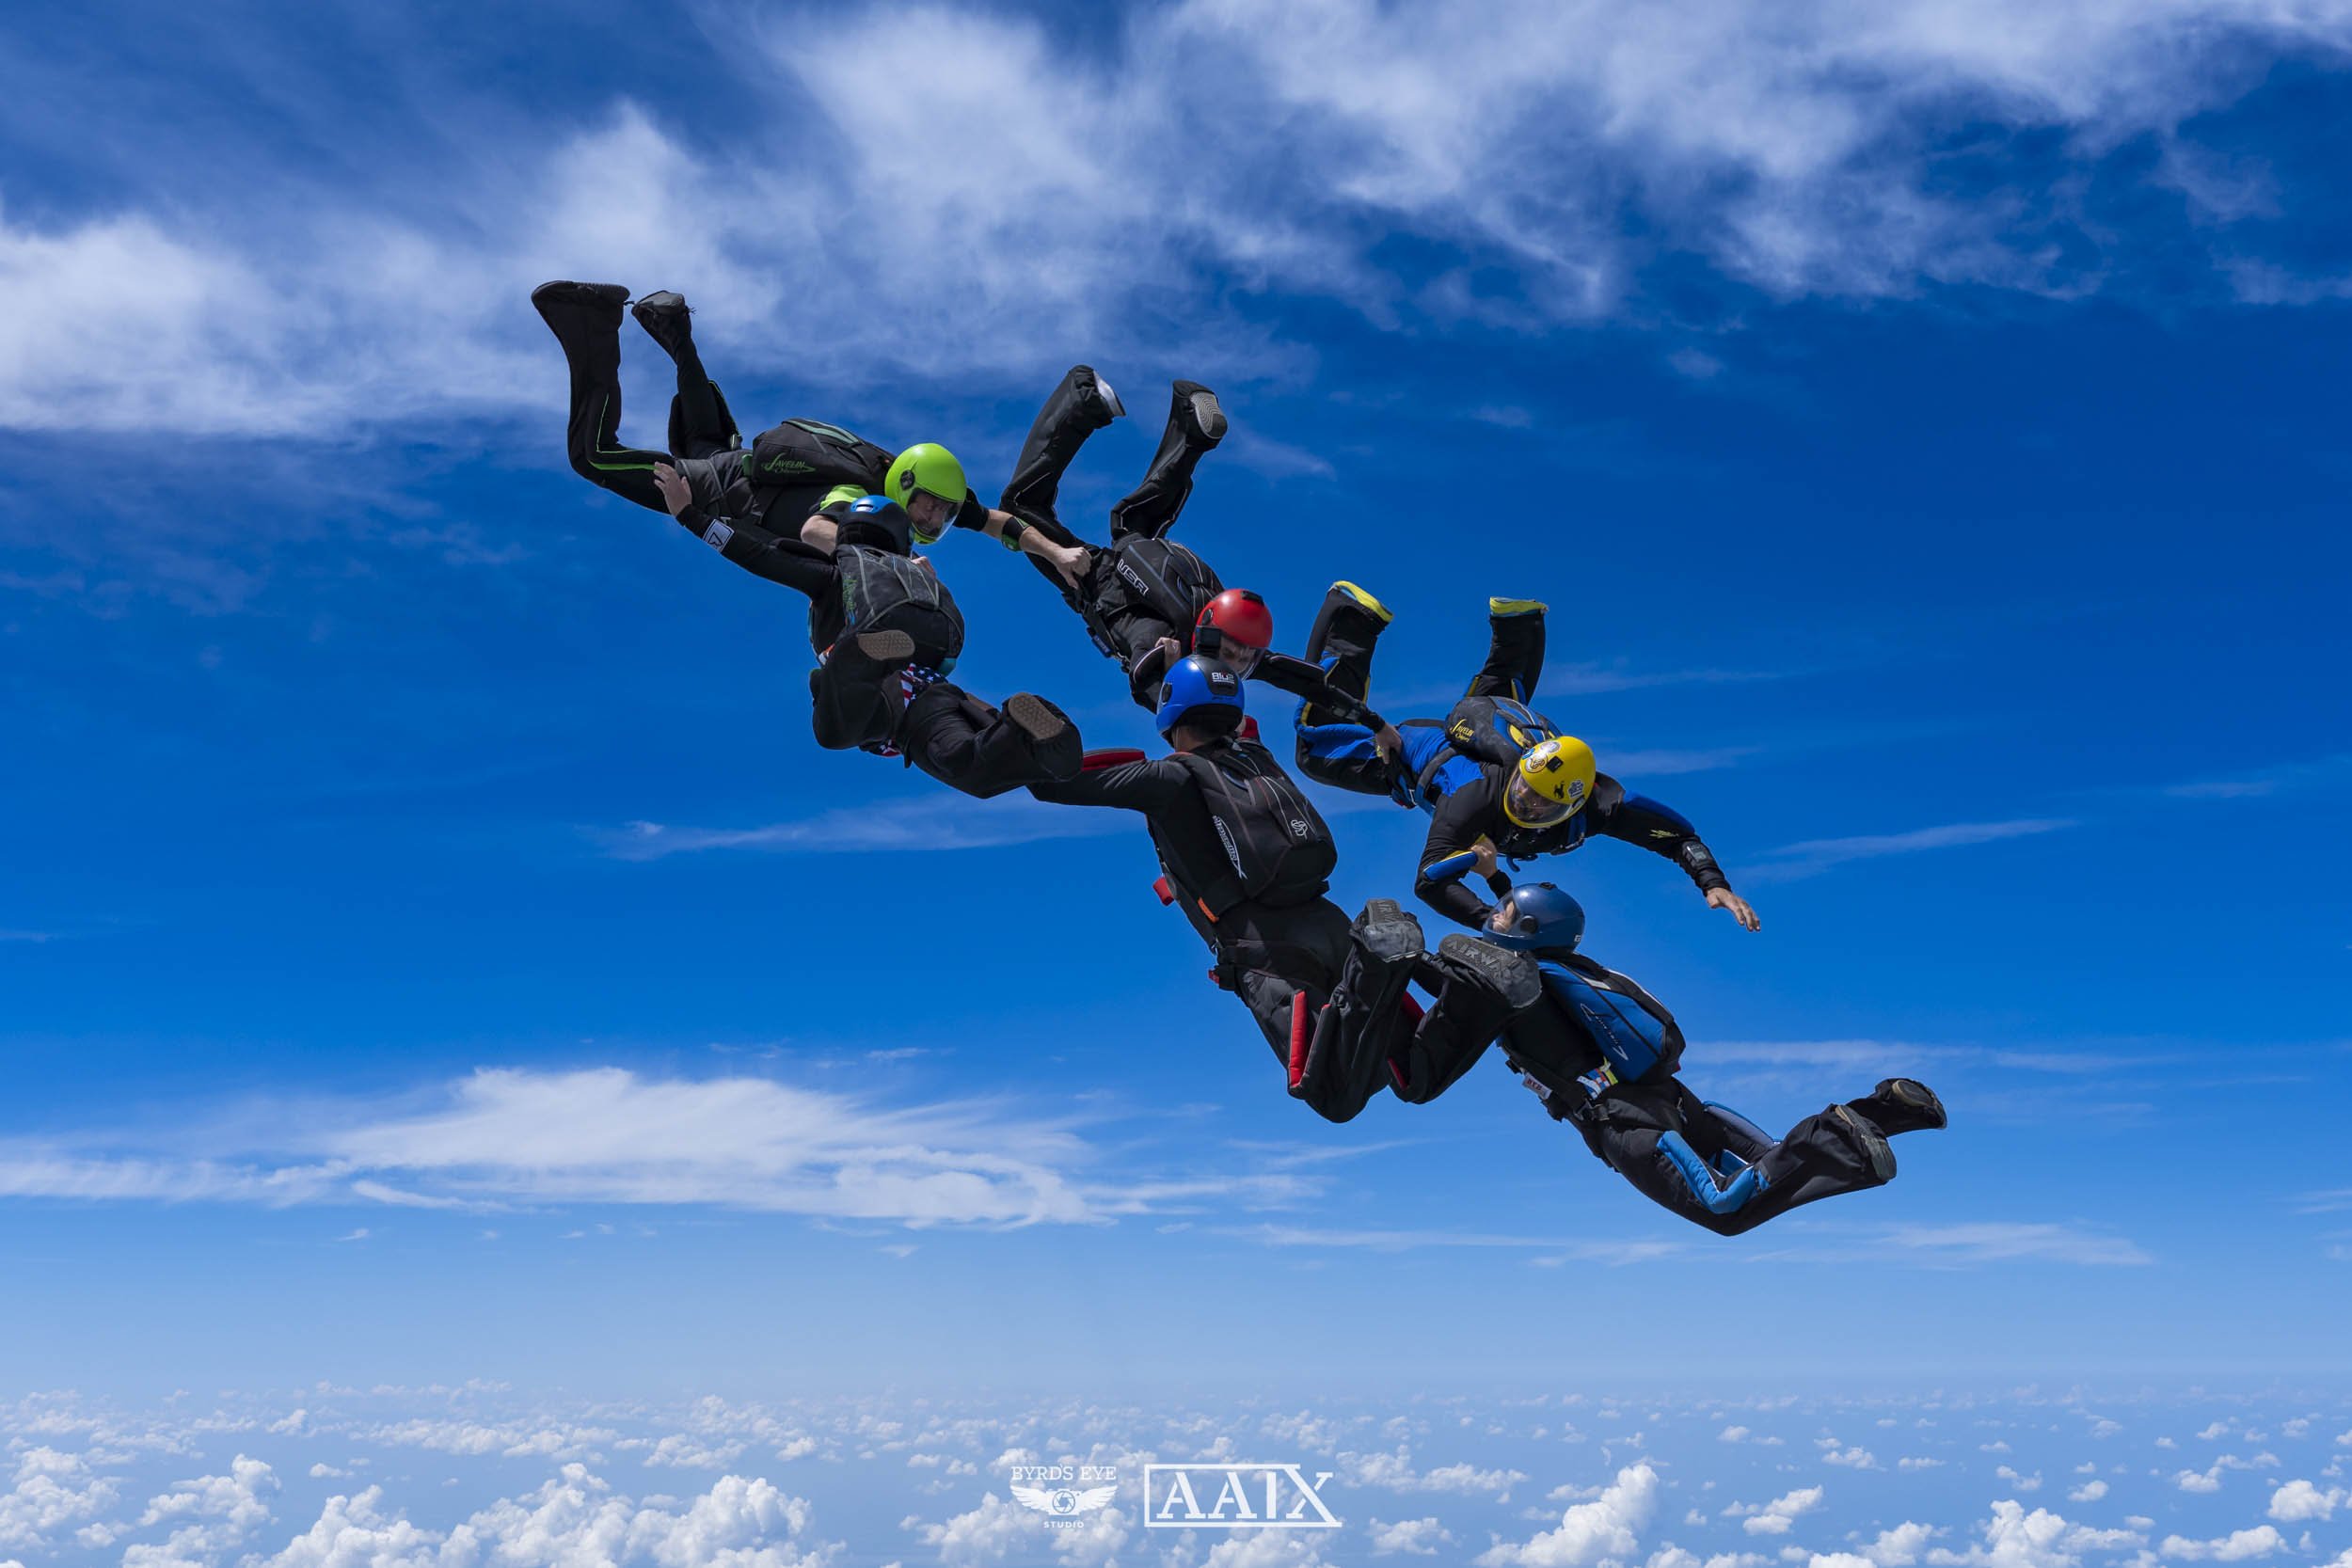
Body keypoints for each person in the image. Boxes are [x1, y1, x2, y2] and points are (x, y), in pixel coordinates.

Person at [1028, 657, 1536, 1121]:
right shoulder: (1254, 751)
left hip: (1264, 947)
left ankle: (1383, 965)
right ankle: (1478, 991)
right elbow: (1215, 697)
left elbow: (1056, 782)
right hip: (1333, 922)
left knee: (1333, 1096)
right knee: (1411, 1075)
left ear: (1171, 716)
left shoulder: (1165, 776)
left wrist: (1020, 740)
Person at [528, 281, 1089, 588]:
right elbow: (820, 528)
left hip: (733, 460)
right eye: (929, 510)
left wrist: (1059, 553)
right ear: (907, 486)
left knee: (700, 440)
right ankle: (590, 322)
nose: (933, 521)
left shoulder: (905, 482)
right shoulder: (863, 500)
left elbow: (996, 521)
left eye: (941, 514)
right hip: (713, 488)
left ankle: (674, 326)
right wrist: (890, 564)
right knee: (594, 456)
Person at [1479, 883, 1947, 1235]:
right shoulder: (1569, 970)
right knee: (1773, 1169)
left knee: (1723, 1209)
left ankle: (1836, 1131)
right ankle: (1889, 1111)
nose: (1494, 915)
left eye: (1506, 912)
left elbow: (1474, 965)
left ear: (1530, 929)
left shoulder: (1521, 991)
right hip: (1676, 1104)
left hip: (1631, 1129)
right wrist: (1493, 872)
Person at [993, 367, 1404, 753]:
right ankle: (1084, 394)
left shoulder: (1236, 649)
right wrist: (1194, 711)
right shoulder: (1162, 639)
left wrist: (1376, 724)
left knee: (1136, 520)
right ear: (1209, 633)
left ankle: (1190, 427)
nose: (1237, 664)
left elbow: (1311, 684)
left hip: (1136, 553)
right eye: (1234, 653)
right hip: (1089, 576)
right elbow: (1147, 680)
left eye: (1247, 657)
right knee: (1020, 506)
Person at [1295, 594, 1758, 933]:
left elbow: (1677, 835)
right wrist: (1491, 921)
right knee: (1314, 751)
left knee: (1497, 704)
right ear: (1523, 774)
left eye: (1542, 807)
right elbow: (1428, 881)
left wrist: (1712, 883)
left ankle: (1520, 623)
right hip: (1426, 752)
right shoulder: (1474, 797)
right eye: (1525, 794)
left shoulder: (1599, 805)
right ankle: (1351, 622)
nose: (1529, 806)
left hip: (1493, 740)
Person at [660, 490, 1081, 798]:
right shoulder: (919, 575)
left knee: (833, 730)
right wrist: (990, 713)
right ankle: (1042, 739)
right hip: (927, 695)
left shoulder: (836, 572)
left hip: (875, 700)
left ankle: (860, 655)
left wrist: (689, 516)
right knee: (968, 765)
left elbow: (757, 554)